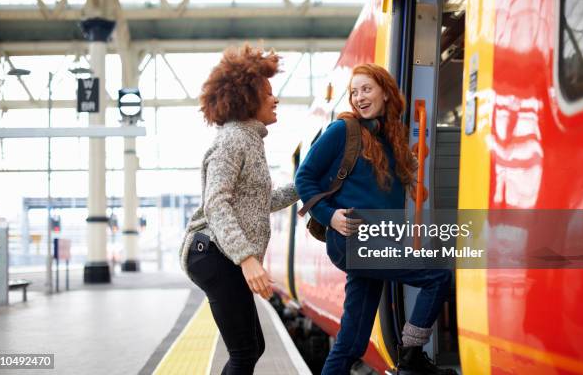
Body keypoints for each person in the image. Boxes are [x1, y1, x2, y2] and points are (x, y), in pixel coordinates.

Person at [295, 63, 455, 375]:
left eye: (366, 89)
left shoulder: (392, 135)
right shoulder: (342, 130)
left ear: (385, 92)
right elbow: (305, 177)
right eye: (354, 92)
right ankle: (411, 355)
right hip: (352, 239)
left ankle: (403, 358)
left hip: (378, 240)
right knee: (438, 274)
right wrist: (329, 217)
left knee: (352, 341)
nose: (358, 97)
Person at [179, 44, 298, 374]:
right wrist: (247, 260)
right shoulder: (233, 139)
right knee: (245, 352)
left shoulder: (251, 139)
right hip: (213, 253)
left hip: (222, 254)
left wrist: (306, 187)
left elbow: (261, 201)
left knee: (253, 348)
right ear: (247, 98)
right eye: (268, 93)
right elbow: (216, 202)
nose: (275, 100)